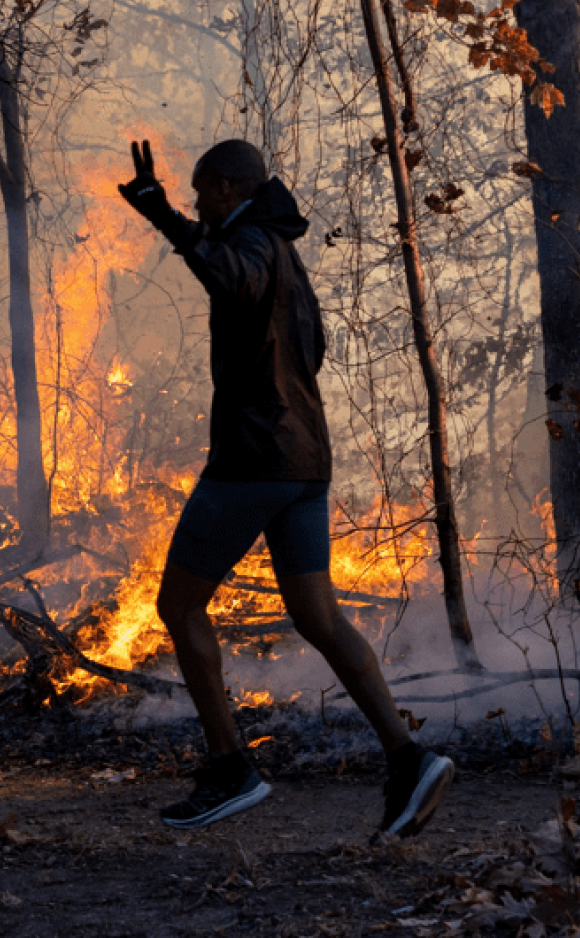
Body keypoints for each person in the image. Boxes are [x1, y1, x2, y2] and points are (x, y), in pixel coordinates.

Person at [117, 139, 453, 834]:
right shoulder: (284, 251)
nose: (200, 203)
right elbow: (310, 347)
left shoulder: (254, 245)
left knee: (177, 606)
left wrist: (165, 218)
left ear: (232, 186)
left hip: (254, 462)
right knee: (318, 617)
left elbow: (228, 278)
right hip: (304, 461)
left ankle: (229, 768)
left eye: (205, 192)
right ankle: (408, 759)